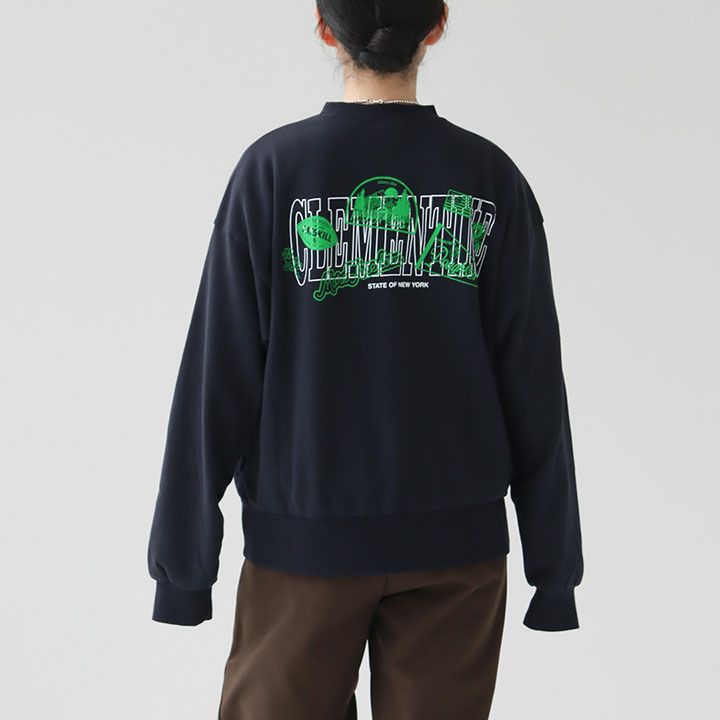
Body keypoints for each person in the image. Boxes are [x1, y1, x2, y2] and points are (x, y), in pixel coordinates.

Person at [147, 1, 584, 717]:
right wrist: (554, 566)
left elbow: (215, 377)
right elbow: (534, 384)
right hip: (457, 554)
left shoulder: (273, 172)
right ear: (437, 24)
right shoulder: (490, 177)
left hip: (304, 551)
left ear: (326, 28)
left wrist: (183, 568)